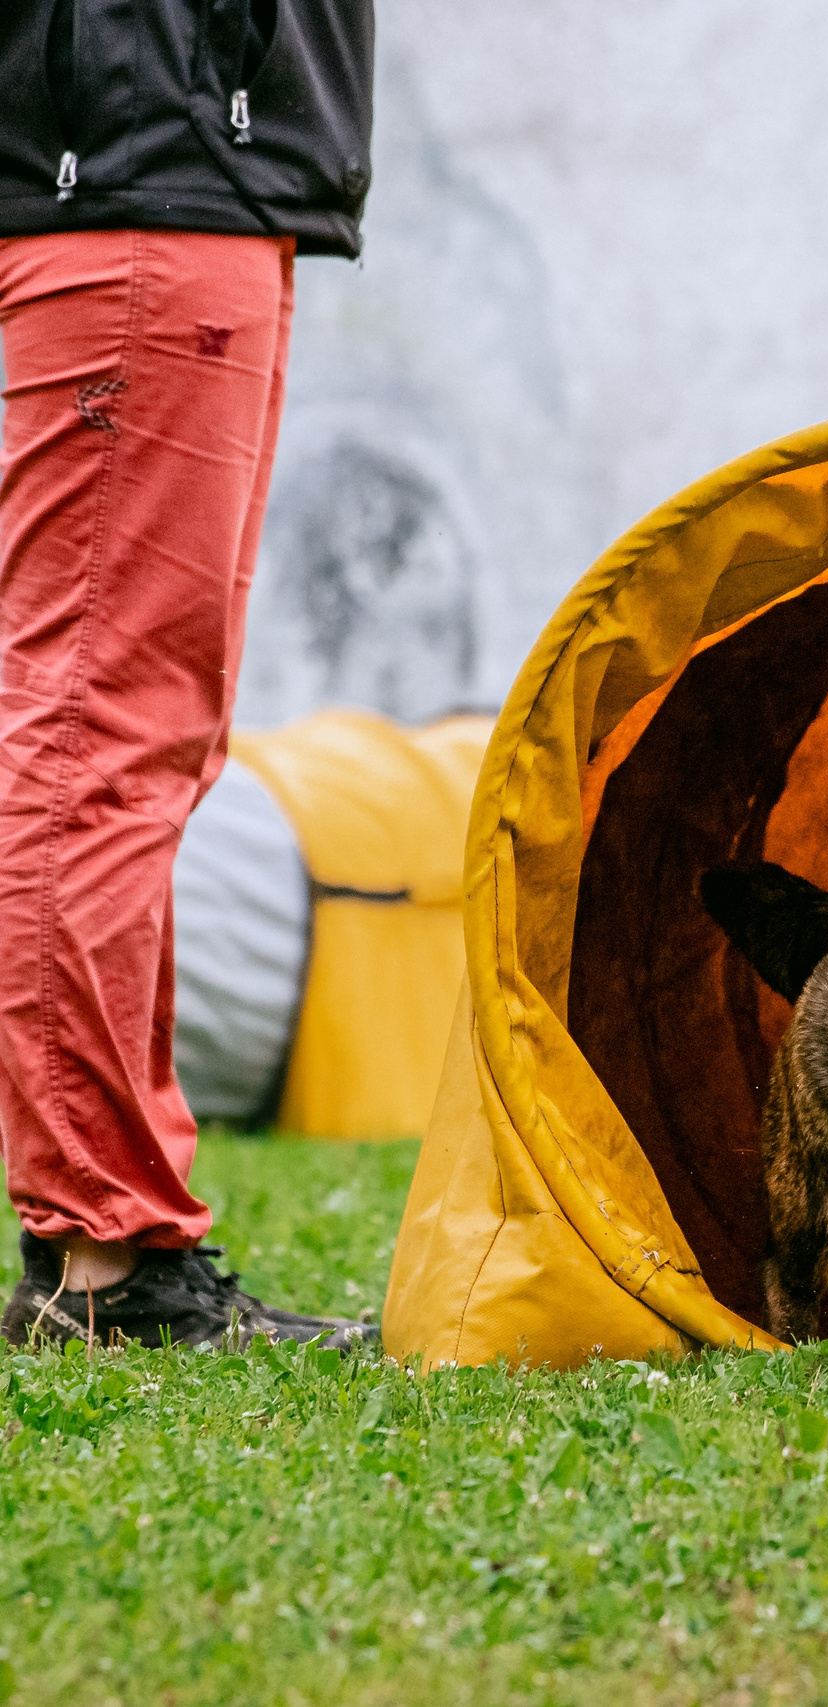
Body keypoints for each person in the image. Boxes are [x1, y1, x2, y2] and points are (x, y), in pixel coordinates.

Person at [0, 1, 376, 1348]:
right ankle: (101, 1258)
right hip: (144, 181)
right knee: (95, 735)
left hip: (181, 182)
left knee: (123, 738)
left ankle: (101, 1243)